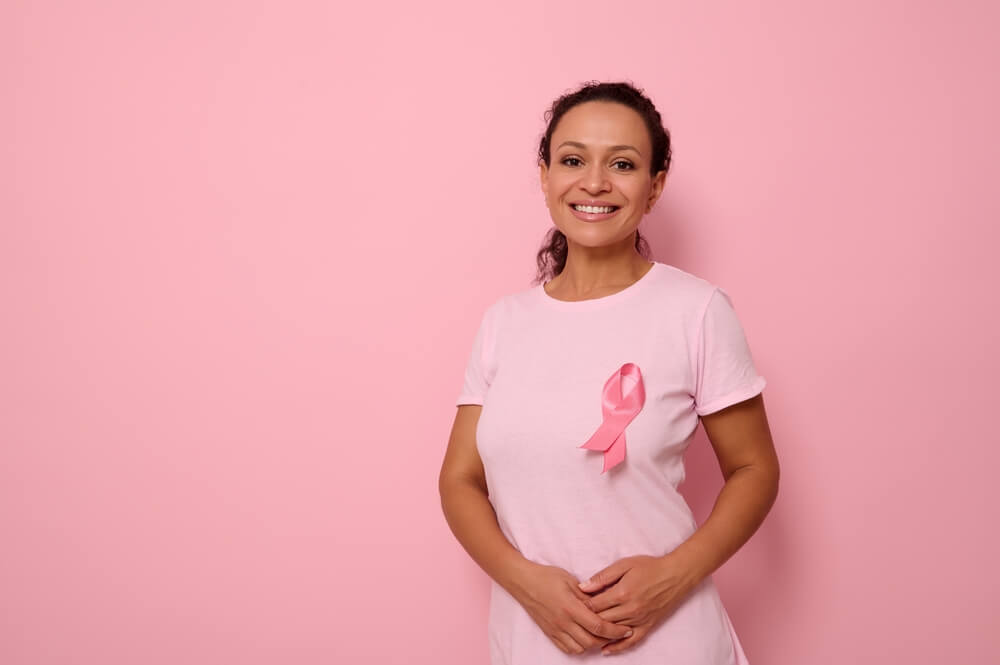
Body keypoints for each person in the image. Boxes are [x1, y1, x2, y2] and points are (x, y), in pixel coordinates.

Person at [438, 81, 779, 664]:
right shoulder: (504, 323)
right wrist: (526, 583)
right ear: (544, 175)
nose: (594, 183)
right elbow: (459, 481)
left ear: (655, 186)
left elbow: (754, 468)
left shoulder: (695, 310)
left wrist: (674, 576)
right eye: (573, 160)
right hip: (531, 642)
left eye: (622, 164)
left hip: (667, 642)